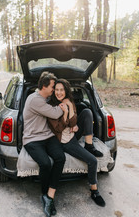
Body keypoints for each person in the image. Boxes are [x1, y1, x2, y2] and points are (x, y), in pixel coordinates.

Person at [48, 79, 106, 207]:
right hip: (64, 141)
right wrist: (66, 113)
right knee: (93, 161)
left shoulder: (69, 100)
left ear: (66, 91)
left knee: (86, 112)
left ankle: (89, 145)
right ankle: (94, 191)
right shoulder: (51, 106)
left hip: (71, 134)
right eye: (56, 90)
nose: (59, 93)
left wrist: (69, 107)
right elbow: (58, 129)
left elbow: (73, 122)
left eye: (61, 90)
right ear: (53, 91)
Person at [22, 72, 66, 217]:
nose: (54, 90)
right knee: (46, 164)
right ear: (44, 86)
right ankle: (44, 195)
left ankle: (50, 195)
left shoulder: (44, 98)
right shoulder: (35, 100)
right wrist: (66, 105)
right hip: (32, 139)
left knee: (60, 158)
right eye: (53, 87)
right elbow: (54, 114)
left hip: (47, 136)